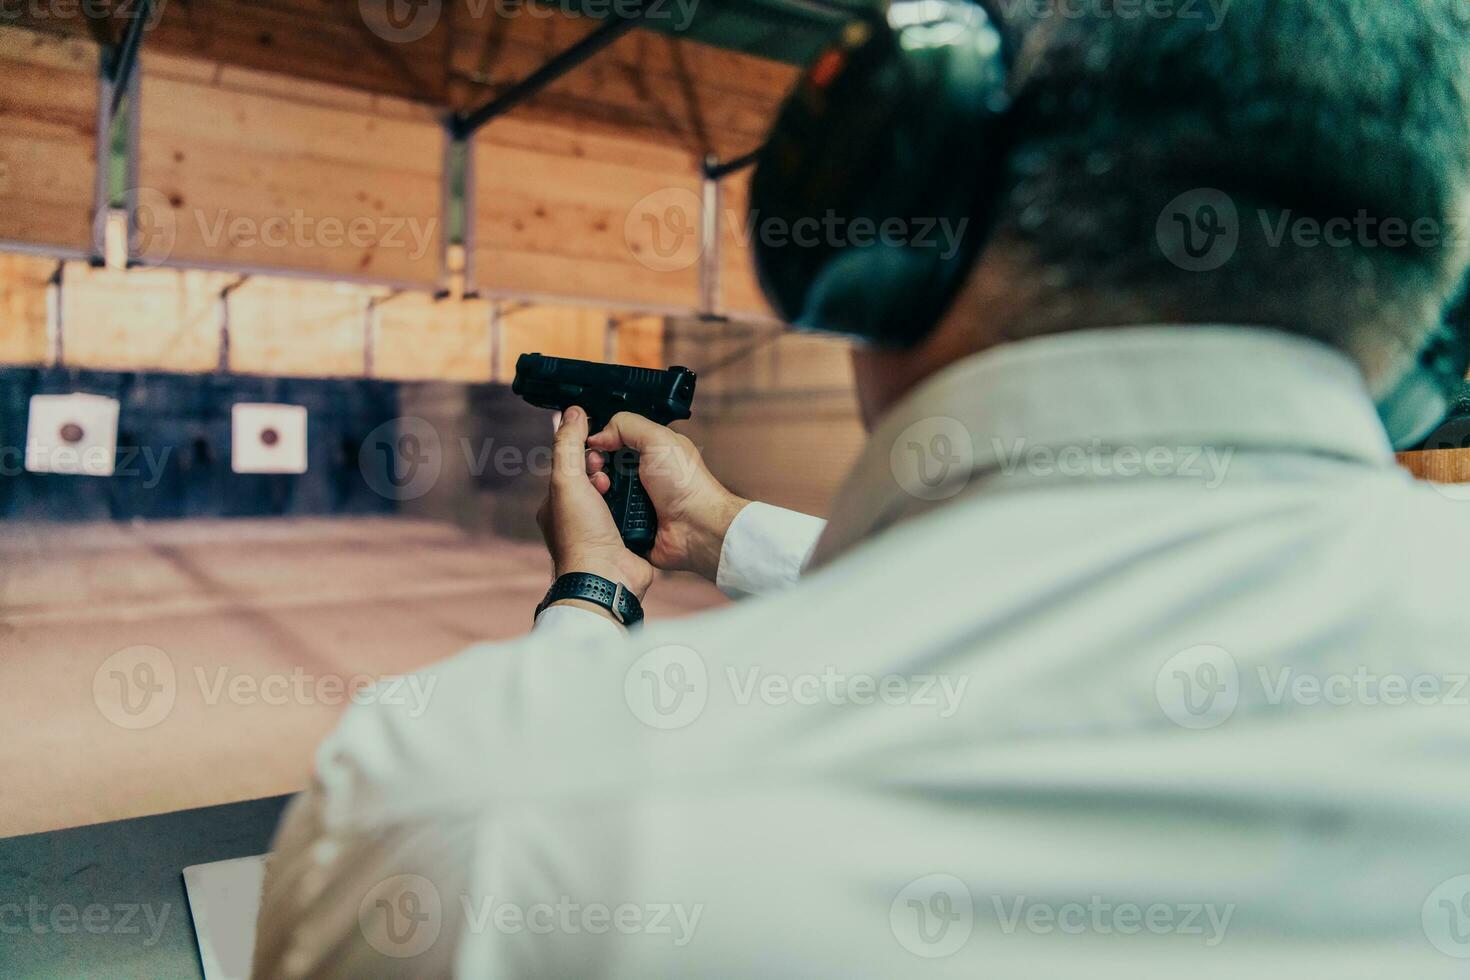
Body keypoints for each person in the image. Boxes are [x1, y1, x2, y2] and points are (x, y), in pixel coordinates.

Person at [254, 0, 1470, 975]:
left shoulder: (467, 807)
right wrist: (721, 529)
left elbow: (529, 785)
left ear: (884, 207)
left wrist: (588, 596)